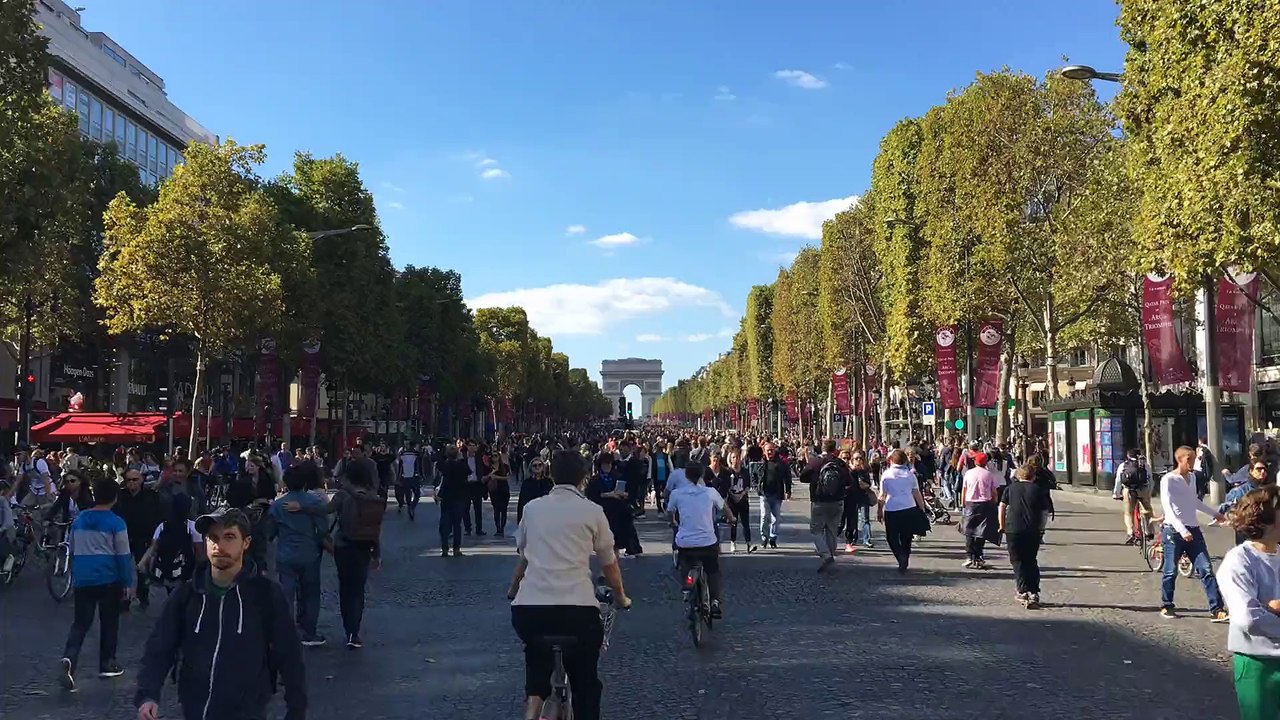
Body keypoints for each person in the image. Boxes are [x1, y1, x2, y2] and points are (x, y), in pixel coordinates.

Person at [134, 508, 306, 720]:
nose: (219, 545)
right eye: (213, 538)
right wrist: (148, 695)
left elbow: (289, 654)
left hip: (247, 711)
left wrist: (296, 709)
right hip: (195, 709)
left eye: (229, 537)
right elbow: (159, 647)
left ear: (246, 543)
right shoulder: (187, 595)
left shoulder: (266, 595)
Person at [507, 449, 631, 720]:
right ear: (583, 478)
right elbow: (609, 563)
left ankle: (533, 707)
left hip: (530, 610)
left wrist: (513, 588)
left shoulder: (532, 509)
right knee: (586, 681)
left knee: (536, 655)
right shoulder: (593, 511)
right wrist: (621, 596)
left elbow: (524, 556)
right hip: (577, 611)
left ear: (551, 475)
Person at [59, 475, 135, 690]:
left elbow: (73, 549)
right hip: (108, 578)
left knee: (80, 623)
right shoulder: (116, 522)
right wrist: (128, 582)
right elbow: (123, 555)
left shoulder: (79, 519)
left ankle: (69, 657)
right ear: (115, 497)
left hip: (83, 578)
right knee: (109, 621)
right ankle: (107, 662)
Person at [1217, 485, 1280, 720]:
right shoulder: (1238, 561)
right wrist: (1267, 608)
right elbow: (1249, 618)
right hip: (1257, 663)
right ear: (1265, 518)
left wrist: (1270, 607)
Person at [1159, 445, 1229, 621]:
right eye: (1189, 459)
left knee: (1206, 569)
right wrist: (1182, 530)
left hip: (1194, 529)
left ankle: (1217, 609)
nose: (1192, 462)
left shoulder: (1192, 478)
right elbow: (1168, 508)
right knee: (1170, 571)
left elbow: (1195, 502)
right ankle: (1167, 605)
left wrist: (1215, 514)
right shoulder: (1168, 479)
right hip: (1173, 530)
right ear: (1179, 459)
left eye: (1193, 459)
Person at [269, 464, 330, 646]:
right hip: (309, 553)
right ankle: (309, 632)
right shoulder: (314, 502)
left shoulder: (277, 505)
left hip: (285, 554)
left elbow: (270, 532)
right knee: (310, 594)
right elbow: (323, 529)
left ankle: (286, 632)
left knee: (286, 594)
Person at [668, 460, 732, 618]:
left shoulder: (677, 494)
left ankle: (686, 587)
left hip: (686, 542)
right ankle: (715, 601)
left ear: (686, 475)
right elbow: (724, 507)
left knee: (685, 563)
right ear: (702, 474)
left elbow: (670, 511)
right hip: (707, 541)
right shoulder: (710, 492)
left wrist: (673, 522)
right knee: (712, 570)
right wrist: (732, 519)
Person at [1000, 464, 1053, 608]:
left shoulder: (1010, 489)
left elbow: (1002, 507)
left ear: (1018, 476)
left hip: (1013, 529)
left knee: (1017, 560)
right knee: (1031, 560)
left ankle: (1022, 590)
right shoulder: (1038, 490)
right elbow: (1044, 512)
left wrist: (1002, 525)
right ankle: (1034, 591)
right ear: (1033, 477)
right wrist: (1041, 528)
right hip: (1032, 530)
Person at [800, 439, 853, 573]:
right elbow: (849, 481)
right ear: (834, 449)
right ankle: (830, 557)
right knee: (832, 530)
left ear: (822, 448)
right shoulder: (840, 463)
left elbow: (802, 477)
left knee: (816, 530)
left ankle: (826, 556)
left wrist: (814, 479)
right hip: (837, 501)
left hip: (819, 500)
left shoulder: (815, 462)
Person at [877, 450, 929, 574]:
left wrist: (879, 510)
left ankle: (900, 556)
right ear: (905, 460)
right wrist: (922, 508)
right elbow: (917, 493)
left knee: (891, 537)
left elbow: (882, 495)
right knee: (906, 537)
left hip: (892, 508)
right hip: (909, 507)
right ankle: (905, 557)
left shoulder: (886, 475)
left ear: (891, 460)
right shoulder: (910, 475)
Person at [960, 452, 1000, 570]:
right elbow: (994, 492)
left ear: (975, 462)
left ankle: (969, 555)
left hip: (971, 503)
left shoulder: (968, 473)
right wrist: (994, 502)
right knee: (981, 531)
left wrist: (963, 503)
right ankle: (978, 556)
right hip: (985, 504)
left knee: (969, 531)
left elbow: (964, 489)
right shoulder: (989, 474)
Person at [1221, 461, 1276, 545]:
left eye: (1264, 470)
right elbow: (1229, 511)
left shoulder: (1271, 490)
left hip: (1267, 536)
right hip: (1246, 536)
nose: (1262, 472)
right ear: (1251, 471)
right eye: (1259, 469)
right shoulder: (1239, 491)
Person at [1113, 448, 1153, 544]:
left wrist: (1116, 494)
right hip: (1143, 489)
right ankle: (1149, 531)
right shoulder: (1145, 465)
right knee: (1147, 511)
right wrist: (1149, 492)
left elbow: (1118, 481)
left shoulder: (1123, 465)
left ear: (1128, 456)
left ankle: (1130, 532)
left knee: (1128, 512)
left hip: (1129, 490)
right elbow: (1150, 480)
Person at [719, 447, 755, 554]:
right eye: (733, 457)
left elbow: (748, 485)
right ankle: (733, 542)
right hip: (732, 501)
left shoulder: (745, 471)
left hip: (743, 500)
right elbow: (725, 486)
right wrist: (732, 495)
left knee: (745, 523)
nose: (735, 460)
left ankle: (748, 543)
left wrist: (742, 494)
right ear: (730, 459)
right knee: (733, 522)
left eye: (737, 457)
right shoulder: (727, 472)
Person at [436, 446, 470, 557]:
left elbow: (443, 479)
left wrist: (439, 495)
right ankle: (456, 549)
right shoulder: (462, 465)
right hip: (459, 497)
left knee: (445, 524)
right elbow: (469, 473)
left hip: (446, 497)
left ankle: (444, 548)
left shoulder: (445, 465)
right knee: (457, 524)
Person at [758, 442, 792, 550]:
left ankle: (773, 538)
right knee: (764, 516)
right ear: (764, 451)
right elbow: (754, 474)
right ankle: (764, 537)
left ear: (774, 451)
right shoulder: (761, 463)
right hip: (764, 494)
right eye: (767, 450)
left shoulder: (781, 464)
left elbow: (787, 477)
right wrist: (756, 485)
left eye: (771, 450)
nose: (769, 452)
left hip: (777, 494)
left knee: (776, 518)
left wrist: (788, 490)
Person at [843, 449, 875, 551]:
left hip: (863, 497)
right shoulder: (849, 470)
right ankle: (853, 539)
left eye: (860, 458)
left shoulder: (864, 471)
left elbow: (868, 484)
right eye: (856, 458)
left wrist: (863, 483)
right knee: (853, 519)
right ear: (852, 460)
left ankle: (867, 539)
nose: (858, 460)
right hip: (851, 498)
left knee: (865, 519)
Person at [463, 440, 490, 536]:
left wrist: (484, 478)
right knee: (465, 508)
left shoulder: (479, 458)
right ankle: (467, 528)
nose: (471, 447)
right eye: (470, 445)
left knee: (478, 508)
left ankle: (479, 528)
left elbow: (485, 469)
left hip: (476, 484)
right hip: (466, 485)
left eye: (473, 445)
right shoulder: (463, 458)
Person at [516, 456, 552, 525]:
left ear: (543, 467)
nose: (537, 467)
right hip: (531, 516)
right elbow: (521, 502)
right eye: (534, 465)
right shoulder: (526, 483)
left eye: (539, 465)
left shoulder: (548, 482)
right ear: (531, 468)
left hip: (545, 515)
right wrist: (520, 521)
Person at [488, 447, 513, 538]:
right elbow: (485, 477)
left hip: (504, 489)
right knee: (496, 510)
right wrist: (491, 474)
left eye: (496, 456)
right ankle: (498, 528)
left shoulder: (505, 466)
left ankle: (502, 528)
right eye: (492, 456)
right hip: (494, 491)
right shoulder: (489, 467)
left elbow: (507, 477)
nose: (494, 458)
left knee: (504, 510)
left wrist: (496, 477)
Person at [396, 442, 423, 520]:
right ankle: (412, 507)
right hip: (414, 477)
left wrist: (398, 478)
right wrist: (421, 476)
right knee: (417, 494)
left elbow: (400, 468)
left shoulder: (402, 456)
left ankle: (409, 506)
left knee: (408, 494)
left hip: (405, 477)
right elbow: (419, 467)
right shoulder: (416, 455)